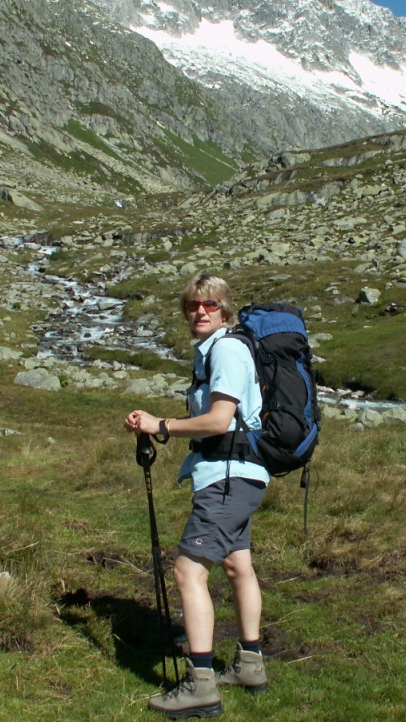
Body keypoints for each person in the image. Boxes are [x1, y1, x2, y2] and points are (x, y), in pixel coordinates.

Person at [125, 273, 270, 719]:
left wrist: (162, 425)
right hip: (239, 476)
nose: (201, 311)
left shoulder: (225, 350)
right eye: (193, 305)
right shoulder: (219, 349)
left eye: (210, 304)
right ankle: (249, 665)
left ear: (225, 310)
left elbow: (219, 420)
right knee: (237, 564)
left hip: (227, 478)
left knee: (188, 571)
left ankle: (201, 684)